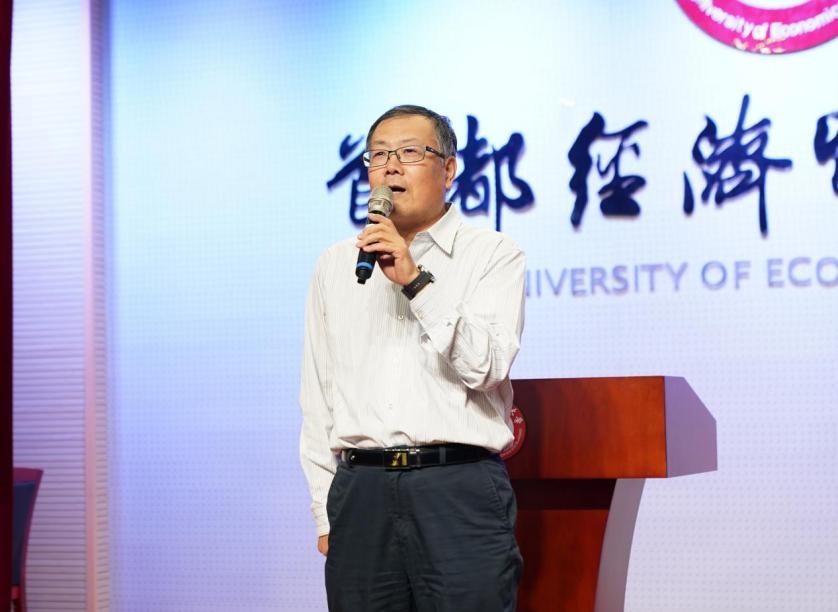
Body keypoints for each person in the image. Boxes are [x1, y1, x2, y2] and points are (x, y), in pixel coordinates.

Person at [299, 104, 525, 611]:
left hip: (457, 489)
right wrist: (324, 509)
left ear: (449, 168)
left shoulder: (493, 254)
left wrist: (415, 281)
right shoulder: (335, 265)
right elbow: (319, 395)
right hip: (361, 493)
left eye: (409, 152)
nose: (391, 167)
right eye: (378, 155)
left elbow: (487, 366)